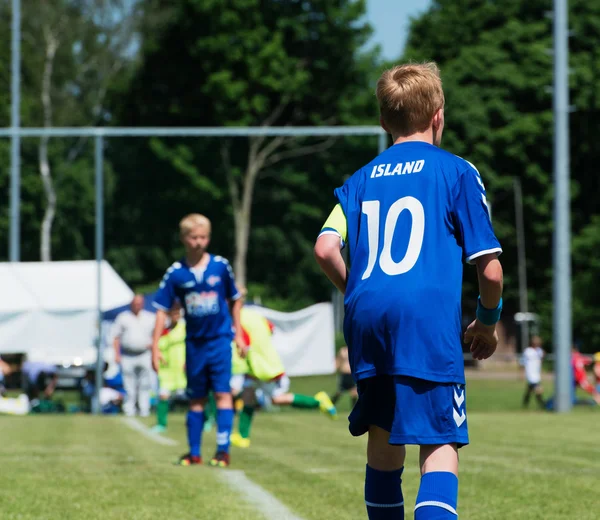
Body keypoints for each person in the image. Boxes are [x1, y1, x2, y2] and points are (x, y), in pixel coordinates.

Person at [314, 62, 503, 520]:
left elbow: (324, 248)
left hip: (366, 316)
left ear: (383, 122)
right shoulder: (456, 172)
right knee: (440, 443)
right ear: (439, 115)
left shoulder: (359, 180)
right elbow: (491, 271)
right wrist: (487, 321)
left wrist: (358, 288)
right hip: (423, 320)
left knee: (384, 437)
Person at [152, 213, 246, 468]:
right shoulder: (176, 273)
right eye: (193, 237)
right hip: (194, 344)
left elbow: (235, 298)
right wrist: (154, 347)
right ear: (184, 238)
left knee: (223, 394)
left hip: (219, 341)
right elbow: (161, 309)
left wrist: (238, 333)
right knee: (196, 399)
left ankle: (223, 451)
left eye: (203, 237)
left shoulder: (220, 266)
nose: (199, 242)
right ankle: (194, 453)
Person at [230, 294, 337, 449]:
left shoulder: (238, 322)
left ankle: (318, 402)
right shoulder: (254, 315)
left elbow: (242, 344)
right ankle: (243, 436)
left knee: (277, 399)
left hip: (263, 367)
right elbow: (271, 330)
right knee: (248, 396)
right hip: (259, 364)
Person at [112, 294, 156, 417]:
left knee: (145, 384)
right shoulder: (123, 318)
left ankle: (144, 410)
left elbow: (157, 334)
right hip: (128, 355)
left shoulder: (149, 317)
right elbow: (115, 337)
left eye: (139, 303)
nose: (137, 305)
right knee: (129, 385)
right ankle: (129, 409)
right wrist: (116, 354)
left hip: (144, 354)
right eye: (135, 303)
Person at [152, 301, 187, 433]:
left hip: (182, 368)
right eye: (173, 313)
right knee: (163, 395)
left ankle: (206, 419)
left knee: (196, 395)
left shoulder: (185, 327)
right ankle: (161, 423)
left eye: (178, 312)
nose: (175, 315)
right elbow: (158, 346)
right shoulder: (163, 330)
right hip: (167, 369)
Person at [521, 336, 546, 409]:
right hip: (530, 373)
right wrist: (522, 373)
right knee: (538, 389)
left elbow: (542, 357)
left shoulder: (539, 351)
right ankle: (542, 404)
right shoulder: (528, 351)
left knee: (530, 390)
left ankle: (525, 403)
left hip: (536, 374)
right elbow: (522, 362)